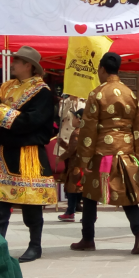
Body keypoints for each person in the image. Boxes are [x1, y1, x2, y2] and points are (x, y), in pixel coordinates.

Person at [69, 52, 139, 254]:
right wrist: (137, 156)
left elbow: (88, 131)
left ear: (102, 69)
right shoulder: (131, 94)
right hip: (126, 153)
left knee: (89, 196)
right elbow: (137, 129)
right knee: (128, 196)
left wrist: (83, 160)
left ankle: (88, 238)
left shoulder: (97, 93)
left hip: (101, 153)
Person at [0, 46, 56, 262]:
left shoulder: (42, 92)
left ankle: (35, 245)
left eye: (17, 61)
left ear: (28, 65)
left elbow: (30, 121)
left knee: (31, 203)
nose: (13, 64)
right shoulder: (8, 86)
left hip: (28, 153)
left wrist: (1, 111)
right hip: (6, 149)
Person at [56, 94, 87, 222]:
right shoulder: (85, 132)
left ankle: (71, 212)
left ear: (78, 120)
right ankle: (83, 213)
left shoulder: (77, 133)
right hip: (81, 164)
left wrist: (61, 158)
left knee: (73, 188)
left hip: (76, 166)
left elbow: (71, 150)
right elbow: (73, 147)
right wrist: (63, 143)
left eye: (74, 117)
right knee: (79, 189)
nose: (72, 119)